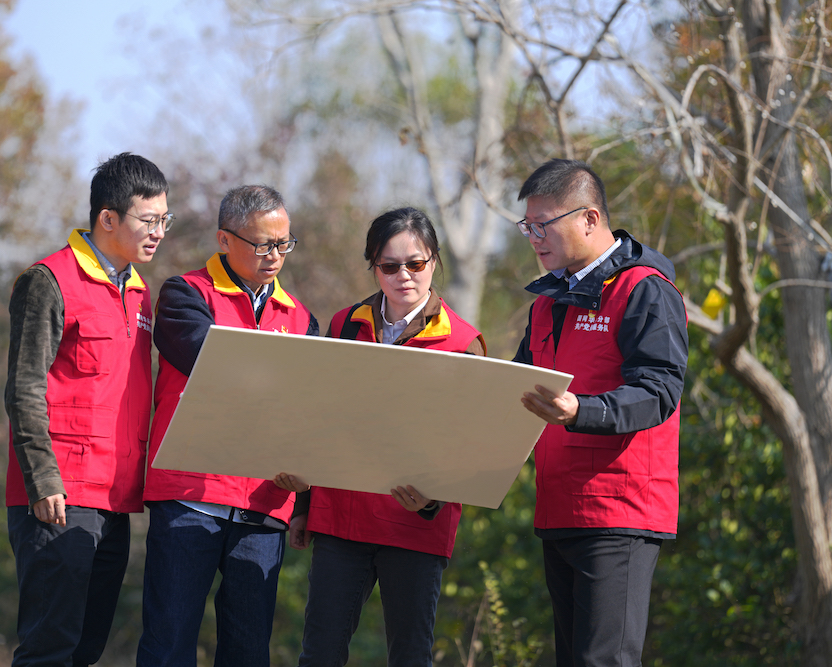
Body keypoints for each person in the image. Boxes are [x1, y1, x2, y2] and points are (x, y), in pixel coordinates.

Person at [274, 207, 486, 667]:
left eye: (416, 263)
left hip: (415, 525)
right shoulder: (343, 326)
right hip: (340, 519)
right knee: (319, 654)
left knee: (409, 655)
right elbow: (319, 417)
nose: (403, 275)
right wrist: (304, 506)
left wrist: (431, 498)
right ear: (373, 266)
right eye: (389, 266)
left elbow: (466, 441)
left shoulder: (463, 343)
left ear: (434, 261)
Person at [512, 159, 688, 667]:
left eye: (543, 225)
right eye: (527, 226)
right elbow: (516, 391)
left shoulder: (644, 289)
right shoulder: (546, 303)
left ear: (589, 219)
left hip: (618, 511)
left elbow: (659, 391)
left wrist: (580, 411)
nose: (534, 238)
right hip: (559, 508)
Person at [137, 185, 320, 667]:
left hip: (264, 503)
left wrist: (303, 504)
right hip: (189, 495)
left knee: (248, 650)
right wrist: (287, 376)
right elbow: (213, 365)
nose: (275, 256)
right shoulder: (184, 295)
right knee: (168, 642)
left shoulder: (302, 319)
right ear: (224, 239)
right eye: (262, 244)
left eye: (284, 243)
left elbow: (309, 412)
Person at [4, 152, 171, 667]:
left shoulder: (140, 293)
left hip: (115, 499)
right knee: (49, 648)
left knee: (86, 647)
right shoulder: (49, 280)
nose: (158, 232)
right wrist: (43, 481)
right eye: (149, 220)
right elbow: (24, 388)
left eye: (164, 220)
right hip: (58, 496)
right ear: (108, 218)